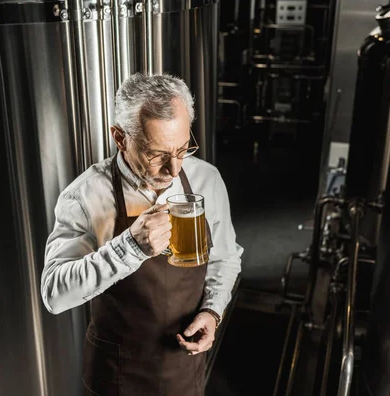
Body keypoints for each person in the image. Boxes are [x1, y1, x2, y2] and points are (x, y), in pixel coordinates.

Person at [41, 73, 243, 396]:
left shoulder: (207, 180)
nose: (174, 169)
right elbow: (54, 293)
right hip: (116, 377)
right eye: (157, 155)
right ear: (120, 138)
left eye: (182, 149)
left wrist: (212, 310)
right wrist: (130, 247)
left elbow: (226, 258)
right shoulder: (86, 196)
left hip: (183, 372)